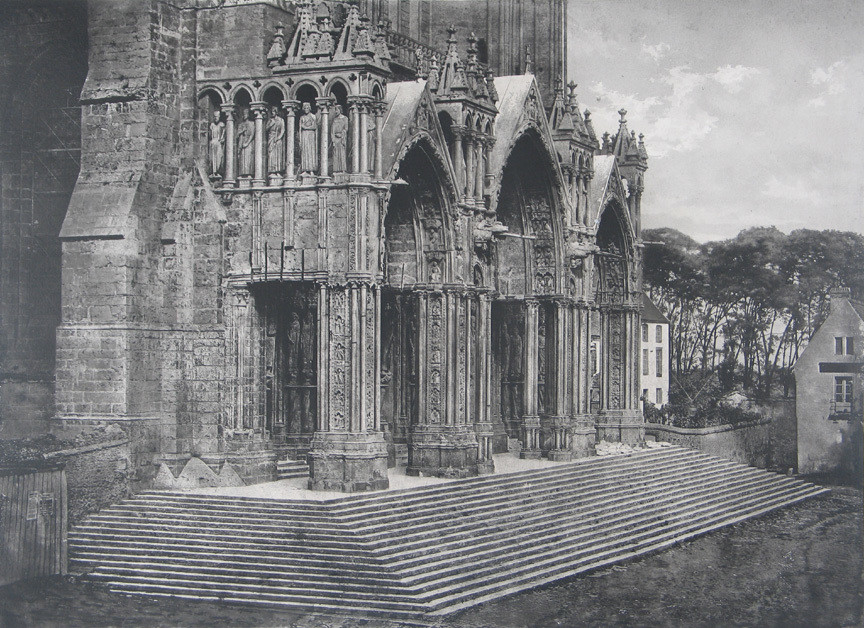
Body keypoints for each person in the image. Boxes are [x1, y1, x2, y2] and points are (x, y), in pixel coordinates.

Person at [298, 101, 318, 174]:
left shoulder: (313, 116)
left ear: (309, 108)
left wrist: (306, 127)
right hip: (304, 136)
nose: (306, 109)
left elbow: (314, 126)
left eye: (307, 108)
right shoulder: (302, 117)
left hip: (311, 136)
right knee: (305, 152)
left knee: (311, 152)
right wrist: (300, 140)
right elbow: (300, 128)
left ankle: (311, 170)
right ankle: (305, 169)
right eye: (305, 108)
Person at [265, 106, 285, 175]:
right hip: (271, 138)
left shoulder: (281, 120)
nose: (272, 113)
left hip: (278, 139)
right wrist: (271, 124)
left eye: (273, 111)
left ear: (276, 112)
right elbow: (266, 129)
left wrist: (278, 138)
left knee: (278, 155)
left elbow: (282, 130)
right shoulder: (270, 120)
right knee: (271, 154)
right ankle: (272, 171)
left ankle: (278, 171)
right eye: (272, 112)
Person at [236, 108, 255, 177]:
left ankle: (249, 173)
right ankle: (242, 173)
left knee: (248, 158)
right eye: (243, 114)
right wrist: (242, 131)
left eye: (246, 114)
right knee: (242, 158)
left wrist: (247, 143)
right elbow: (237, 135)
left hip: (249, 143)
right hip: (242, 142)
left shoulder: (252, 123)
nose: (244, 115)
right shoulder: (241, 125)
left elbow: (252, 134)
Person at [330, 104, 348, 173]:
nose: (336, 111)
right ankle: (336, 170)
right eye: (335, 110)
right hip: (336, 139)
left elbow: (346, 129)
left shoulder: (345, 118)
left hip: (342, 139)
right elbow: (332, 130)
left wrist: (341, 134)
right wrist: (333, 139)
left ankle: (343, 170)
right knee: (336, 154)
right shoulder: (335, 119)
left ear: (340, 110)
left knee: (342, 154)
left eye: (337, 110)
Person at [208, 110, 225, 176]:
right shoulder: (212, 125)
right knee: (212, 158)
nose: (215, 118)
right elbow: (210, 135)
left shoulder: (221, 125)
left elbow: (223, 134)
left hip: (218, 142)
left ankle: (218, 171)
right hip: (213, 142)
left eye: (217, 116)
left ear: (219, 116)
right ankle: (213, 172)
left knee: (219, 157)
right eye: (214, 116)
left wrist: (222, 139)